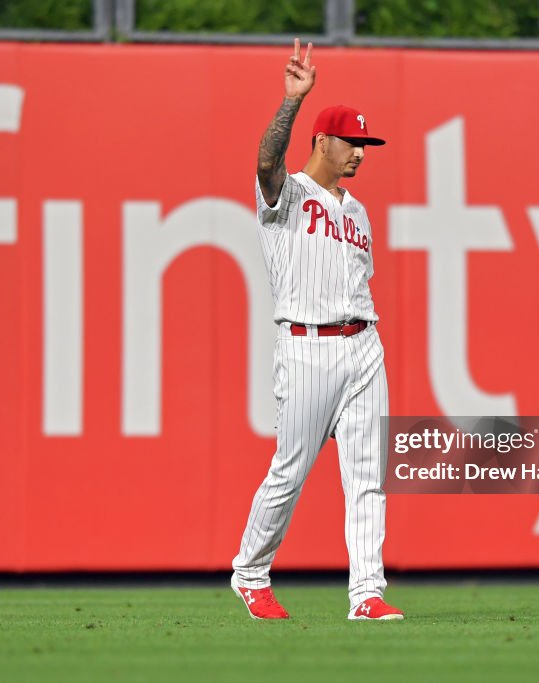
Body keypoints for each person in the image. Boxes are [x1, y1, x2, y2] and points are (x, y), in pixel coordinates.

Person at [231, 38, 404, 621]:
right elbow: (264, 163)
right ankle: (250, 573)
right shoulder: (286, 195)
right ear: (322, 141)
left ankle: (366, 595)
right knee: (291, 470)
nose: (359, 152)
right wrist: (291, 102)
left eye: (364, 144)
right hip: (306, 346)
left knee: (367, 476)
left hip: (364, 346)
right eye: (350, 142)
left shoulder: (357, 212)